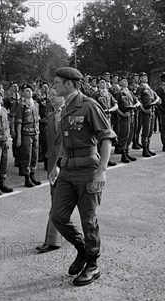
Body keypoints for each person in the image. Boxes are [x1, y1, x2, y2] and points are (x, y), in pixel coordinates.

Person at [49, 67, 116, 286]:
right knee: (58, 216)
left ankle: (93, 264)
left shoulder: (89, 106)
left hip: (88, 170)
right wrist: (57, 165)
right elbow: (65, 139)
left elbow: (106, 138)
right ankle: (82, 250)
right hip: (67, 170)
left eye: (57, 82)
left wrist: (102, 170)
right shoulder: (65, 107)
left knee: (88, 220)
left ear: (69, 84)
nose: (54, 86)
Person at [36, 87, 64, 254]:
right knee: (57, 202)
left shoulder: (72, 114)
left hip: (69, 164)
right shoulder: (51, 116)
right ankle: (53, 239)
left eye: (55, 95)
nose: (51, 98)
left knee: (82, 207)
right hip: (54, 165)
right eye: (49, 95)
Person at [16, 84, 42, 187]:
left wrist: (38, 130)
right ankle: (27, 177)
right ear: (22, 93)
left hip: (35, 132)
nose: (29, 92)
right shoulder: (21, 105)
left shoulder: (36, 104)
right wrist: (18, 136)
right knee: (27, 155)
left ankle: (33, 175)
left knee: (35, 155)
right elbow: (18, 122)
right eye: (26, 91)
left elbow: (38, 119)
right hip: (26, 132)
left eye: (30, 90)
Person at [113, 76, 141, 163]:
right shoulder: (119, 93)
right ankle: (123, 154)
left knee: (131, 134)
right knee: (124, 134)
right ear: (119, 83)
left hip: (132, 115)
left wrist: (136, 105)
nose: (126, 82)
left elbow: (137, 101)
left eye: (126, 80)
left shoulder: (130, 92)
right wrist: (122, 113)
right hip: (123, 117)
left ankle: (127, 151)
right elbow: (115, 106)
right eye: (123, 81)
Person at [93, 77, 119, 166]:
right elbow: (92, 106)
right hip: (100, 118)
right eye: (101, 82)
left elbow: (116, 105)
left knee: (108, 137)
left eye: (104, 82)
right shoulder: (96, 94)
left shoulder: (109, 94)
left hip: (108, 117)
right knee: (100, 138)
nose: (103, 84)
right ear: (98, 84)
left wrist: (110, 110)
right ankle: (100, 159)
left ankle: (107, 158)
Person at [4, 81, 22, 170]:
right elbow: (4, 110)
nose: (16, 88)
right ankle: (16, 158)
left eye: (17, 86)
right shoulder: (8, 99)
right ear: (11, 88)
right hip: (13, 120)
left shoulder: (21, 98)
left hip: (22, 120)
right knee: (15, 139)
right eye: (14, 86)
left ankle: (21, 157)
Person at [34, 81, 51, 170]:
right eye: (44, 87)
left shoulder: (52, 98)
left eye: (47, 87)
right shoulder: (39, 99)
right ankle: (45, 161)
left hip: (51, 122)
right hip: (42, 123)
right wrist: (40, 118)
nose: (46, 89)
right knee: (44, 141)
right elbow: (35, 109)